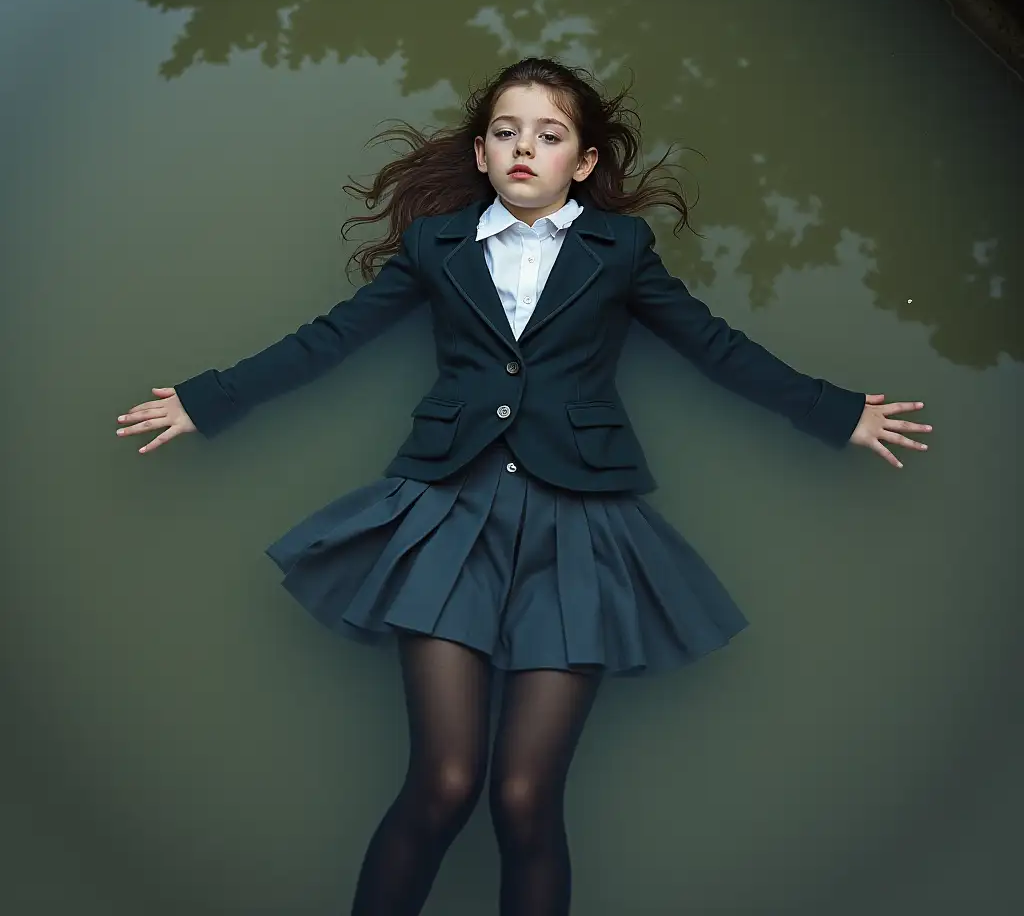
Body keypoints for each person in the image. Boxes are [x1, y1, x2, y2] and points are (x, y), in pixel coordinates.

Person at [114, 57, 932, 916]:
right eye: (505, 132)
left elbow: (712, 344)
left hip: (580, 525)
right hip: (445, 514)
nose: (522, 149)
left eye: (548, 135)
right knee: (445, 782)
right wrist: (207, 401)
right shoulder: (436, 247)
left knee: (524, 800)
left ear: (581, 161)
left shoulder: (621, 250)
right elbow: (332, 337)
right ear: (479, 154)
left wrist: (838, 414)